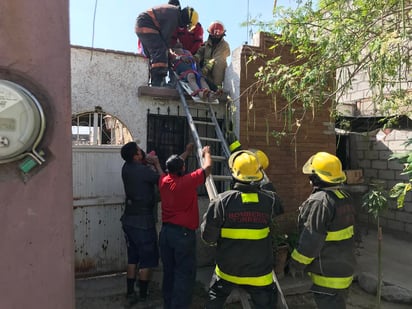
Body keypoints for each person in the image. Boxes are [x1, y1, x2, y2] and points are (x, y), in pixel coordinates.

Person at [201, 150, 283, 309]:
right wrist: (262, 176)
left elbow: (208, 238)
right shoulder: (270, 201)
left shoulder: (221, 202)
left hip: (227, 271)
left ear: (234, 174)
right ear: (259, 175)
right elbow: (279, 205)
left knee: (214, 301)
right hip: (260, 275)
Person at [289, 152, 356, 309]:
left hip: (328, 275)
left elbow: (311, 241)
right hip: (344, 269)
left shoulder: (320, 202)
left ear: (317, 178)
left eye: (311, 176)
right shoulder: (344, 197)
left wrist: (295, 263)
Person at [158, 144, 212, 309]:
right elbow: (208, 168)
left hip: (166, 234)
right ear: (182, 169)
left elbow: (175, 164)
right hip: (182, 236)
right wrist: (207, 153)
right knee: (184, 274)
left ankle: (169, 304)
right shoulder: (187, 182)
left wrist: (187, 152)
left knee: (169, 272)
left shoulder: (163, 181)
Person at [120, 142, 164, 305]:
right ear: (135, 156)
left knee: (133, 258)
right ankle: (143, 296)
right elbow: (163, 181)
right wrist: (156, 163)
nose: (142, 152)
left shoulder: (126, 168)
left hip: (129, 219)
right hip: (143, 222)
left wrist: (146, 160)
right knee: (147, 259)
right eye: (139, 151)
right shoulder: (143, 171)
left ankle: (130, 292)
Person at [135, 3, 198, 87]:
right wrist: (171, 55)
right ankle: (158, 81)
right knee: (160, 50)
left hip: (143, 23)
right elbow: (165, 39)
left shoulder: (174, 12)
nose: (185, 27)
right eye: (187, 25)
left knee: (153, 53)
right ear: (186, 20)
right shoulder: (173, 17)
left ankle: (153, 78)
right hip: (146, 24)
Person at [194, 20, 230, 91]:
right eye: (214, 36)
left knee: (219, 62)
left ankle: (217, 89)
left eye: (218, 36)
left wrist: (206, 68)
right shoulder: (206, 45)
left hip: (216, 75)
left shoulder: (224, 46)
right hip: (205, 76)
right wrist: (196, 58)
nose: (216, 38)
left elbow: (217, 58)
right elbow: (200, 52)